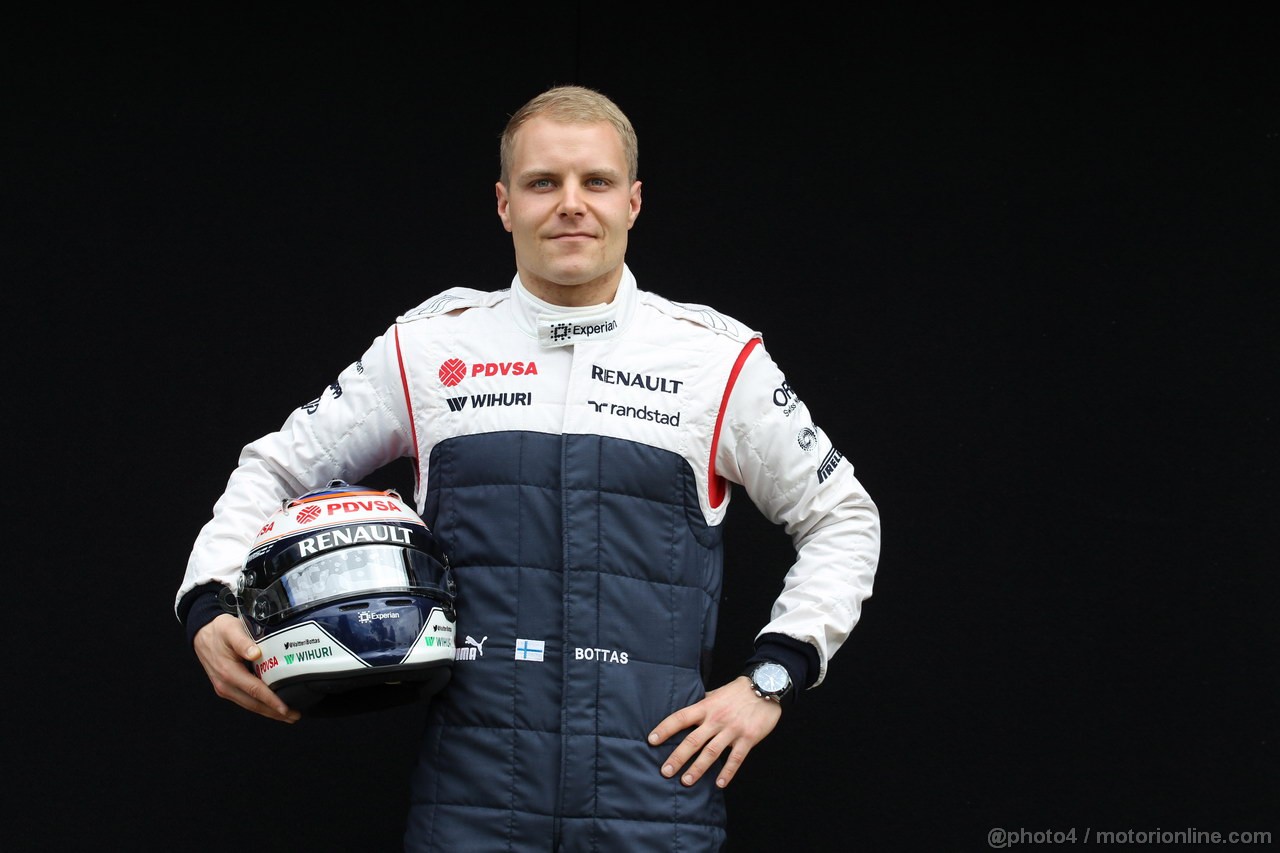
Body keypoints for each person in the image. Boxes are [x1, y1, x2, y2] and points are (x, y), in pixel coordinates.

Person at [176, 84, 881, 851]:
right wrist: (208, 599)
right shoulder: (428, 350)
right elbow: (275, 468)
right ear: (505, 203)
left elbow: (843, 515)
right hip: (469, 807)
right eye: (544, 182)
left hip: (656, 807)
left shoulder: (718, 361)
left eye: (597, 182)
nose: (571, 204)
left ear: (634, 202)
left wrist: (771, 679)